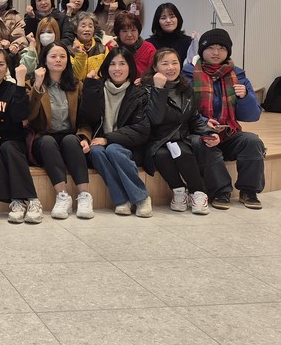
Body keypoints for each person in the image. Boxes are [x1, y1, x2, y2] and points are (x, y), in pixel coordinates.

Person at [184, 29, 265, 210]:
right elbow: (183, 110)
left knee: (252, 141)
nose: (216, 52)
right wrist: (203, 122)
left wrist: (245, 97)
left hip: (229, 133)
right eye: (210, 47)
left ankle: (249, 191)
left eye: (221, 48)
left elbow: (252, 116)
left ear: (228, 51)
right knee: (203, 142)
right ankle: (221, 191)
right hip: (199, 132)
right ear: (202, 51)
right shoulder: (188, 74)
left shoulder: (239, 76)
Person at [142, 48, 219, 215]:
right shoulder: (145, 89)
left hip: (180, 137)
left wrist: (209, 132)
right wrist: (158, 89)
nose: (171, 68)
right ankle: (179, 192)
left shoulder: (186, 88)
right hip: (156, 139)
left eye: (174, 63)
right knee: (161, 155)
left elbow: (194, 118)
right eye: (165, 64)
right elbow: (155, 118)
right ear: (155, 67)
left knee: (182, 151)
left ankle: (198, 193)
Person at [79, 48, 153, 217]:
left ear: (130, 67)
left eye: (122, 64)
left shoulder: (139, 93)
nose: (117, 68)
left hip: (130, 146)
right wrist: (89, 86)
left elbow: (141, 130)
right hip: (99, 143)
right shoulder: (98, 88)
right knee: (96, 152)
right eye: (112, 64)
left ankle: (142, 198)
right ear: (106, 67)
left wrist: (108, 139)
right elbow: (87, 118)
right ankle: (121, 200)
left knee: (113, 149)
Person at [0, 49, 43, 224]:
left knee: (8, 147)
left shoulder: (13, 88)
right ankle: (16, 200)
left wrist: (20, 83)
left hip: (13, 141)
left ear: (7, 68)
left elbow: (20, 116)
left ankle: (31, 200)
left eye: (0, 64)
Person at [28, 41, 93, 219]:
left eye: (63, 56)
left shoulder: (77, 85)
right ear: (45, 60)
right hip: (43, 138)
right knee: (48, 142)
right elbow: (29, 116)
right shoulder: (32, 84)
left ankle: (84, 195)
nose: (58, 60)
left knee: (72, 140)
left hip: (68, 137)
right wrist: (37, 86)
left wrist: (84, 137)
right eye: (53, 56)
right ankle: (62, 196)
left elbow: (85, 119)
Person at [112, 11, 156, 77]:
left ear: (138, 31)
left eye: (133, 30)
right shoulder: (111, 47)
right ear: (118, 33)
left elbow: (154, 73)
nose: (129, 35)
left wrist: (144, 80)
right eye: (124, 31)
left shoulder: (149, 49)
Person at [17, 16, 60, 80]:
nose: (45, 35)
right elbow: (28, 69)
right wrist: (32, 44)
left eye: (49, 32)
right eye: (42, 32)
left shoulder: (62, 51)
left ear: (56, 33)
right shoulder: (29, 50)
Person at [70, 11, 107, 80]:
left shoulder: (103, 49)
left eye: (90, 26)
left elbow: (106, 73)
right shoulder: (69, 50)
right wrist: (80, 54)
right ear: (75, 30)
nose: (87, 29)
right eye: (83, 26)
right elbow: (75, 76)